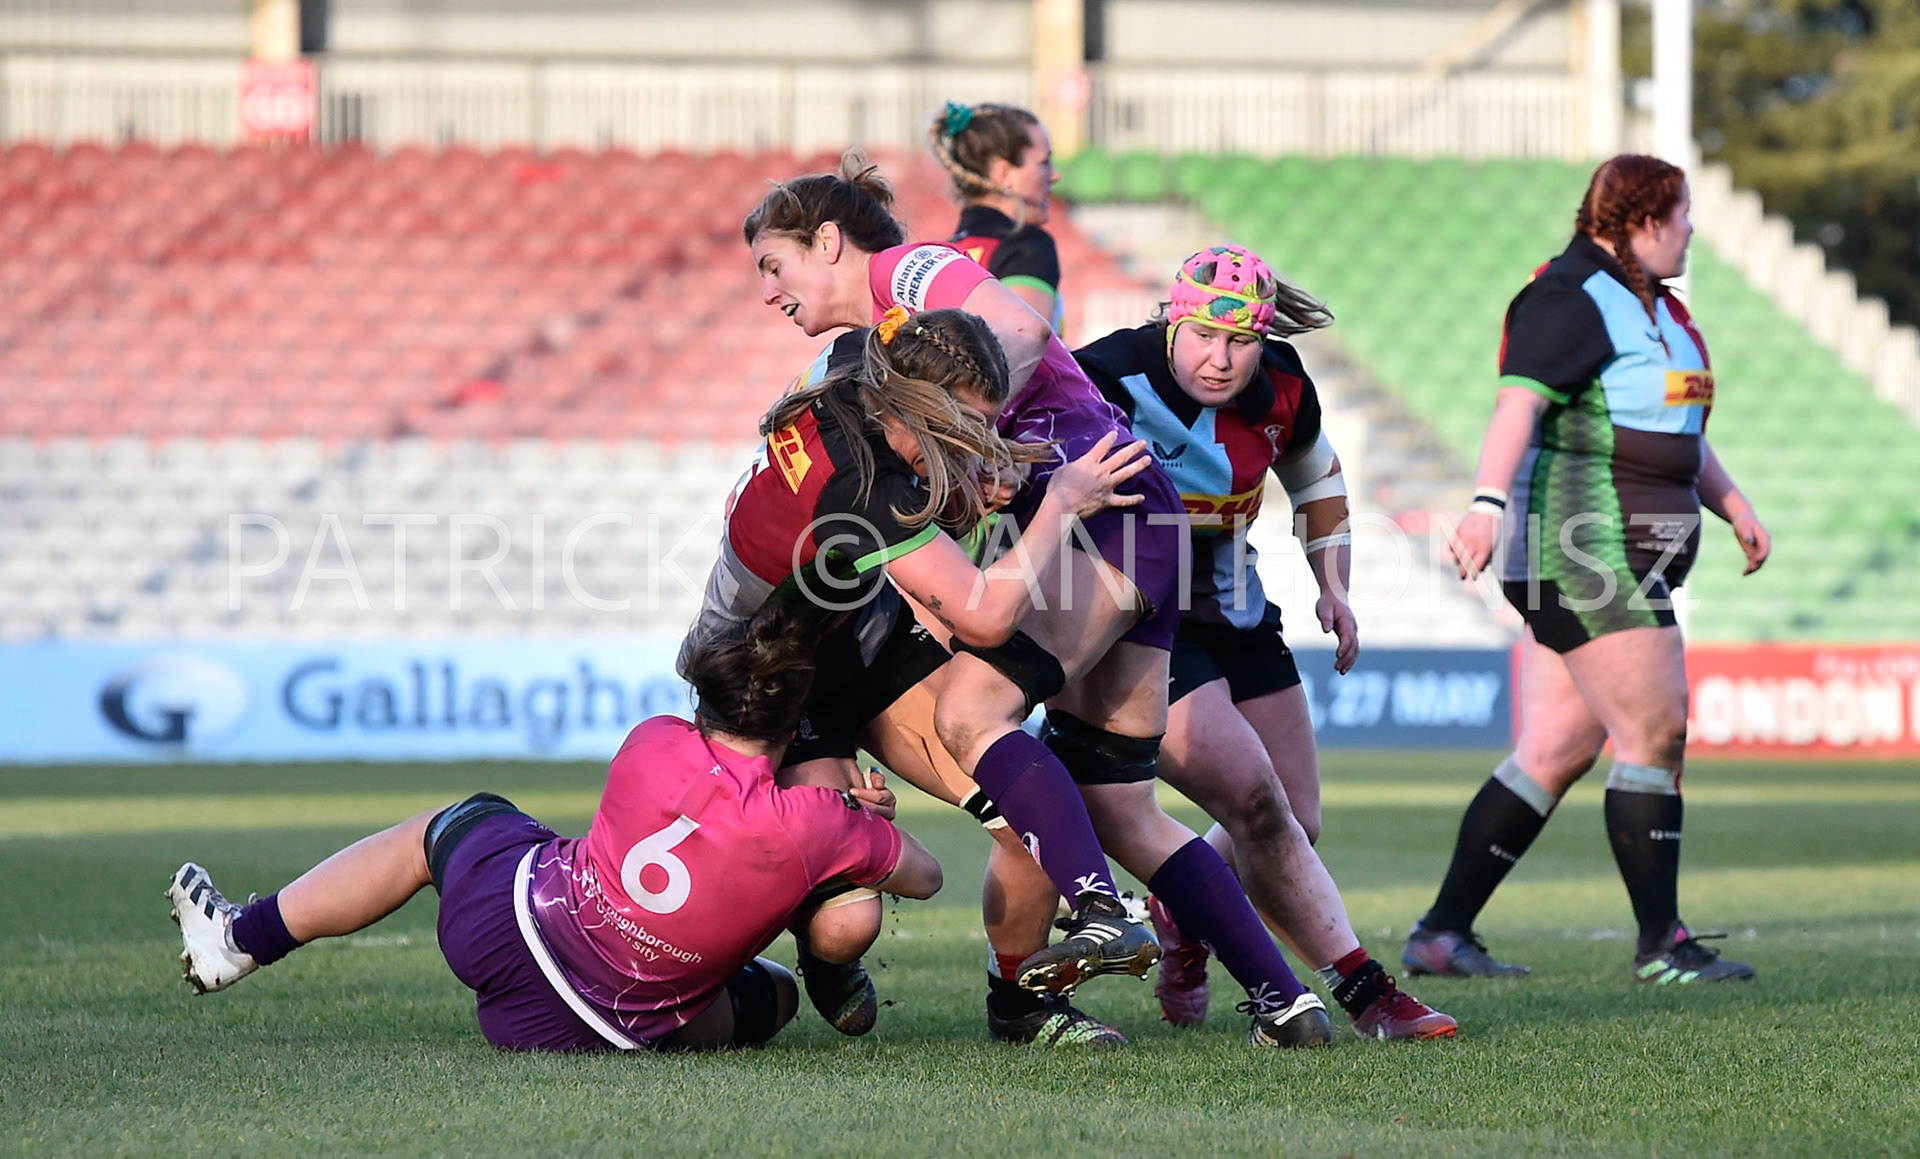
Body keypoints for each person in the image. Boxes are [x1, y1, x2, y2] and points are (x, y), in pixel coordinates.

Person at [747, 155, 1334, 1048]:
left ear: (827, 241)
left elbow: (1016, 330)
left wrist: (972, 446)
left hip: (1102, 517)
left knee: (973, 713)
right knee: (1122, 807)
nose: (769, 291)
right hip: (1134, 521)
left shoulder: (904, 275)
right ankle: (1284, 1001)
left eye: (773, 265)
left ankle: (1099, 915)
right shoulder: (862, 353)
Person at [165, 605, 943, 1052]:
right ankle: (822, 973)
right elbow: (927, 875)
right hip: (606, 1028)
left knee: (447, 827)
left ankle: (241, 939)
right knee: (773, 996)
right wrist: (860, 821)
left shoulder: (653, 741)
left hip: (506, 933)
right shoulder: (814, 820)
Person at [707, 302, 1157, 1045]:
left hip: (857, 633)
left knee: (1027, 813)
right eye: (962, 430)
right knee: (847, 921)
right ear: (916, 409)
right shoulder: (861, 483)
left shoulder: (873, 363)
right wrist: (1063, 505)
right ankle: (807, 948)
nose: (974, 444)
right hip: (764, 676)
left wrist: (973, 474)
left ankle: (1020, 1006)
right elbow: (983, 616)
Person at [1074, 244, 1458, 1040]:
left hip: (1234, 606)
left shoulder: (1282, 384)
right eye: (1205, 337)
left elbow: (1318, 480)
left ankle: (1185, 905)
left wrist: (1336, 586)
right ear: (1172, 320)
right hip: (1137, 619)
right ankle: (1367, 993)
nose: (1221, 360)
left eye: (1241, 341)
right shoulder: (1104, 375)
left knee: (1297, 815)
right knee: (1253, 800)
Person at [1403, 153, 1769, 984]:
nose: (1692, 231)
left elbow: (1678, 432)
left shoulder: (1661, 311)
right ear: (1642, 221)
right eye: (1681, 215)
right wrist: (1487, 504)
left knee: (1555, 749)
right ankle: (1663, 944)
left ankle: (1440, 933)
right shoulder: (1571, 295)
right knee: (1657, 730)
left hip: (1620, 552)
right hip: (1584, 549)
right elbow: (1517, 402)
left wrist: (1734, 503)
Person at [928, 100, 1065, 329]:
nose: (1054, 176)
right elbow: (1020, 347)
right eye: (1044, 163)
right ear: (1004, 174)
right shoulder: (1027, 247)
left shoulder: (944, 254)